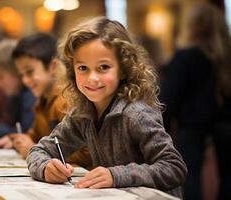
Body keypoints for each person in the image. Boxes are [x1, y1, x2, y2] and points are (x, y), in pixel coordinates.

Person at [26, 17, 187, 198]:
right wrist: (46, 167)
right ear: (72, 71)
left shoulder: (136, 114)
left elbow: (174, 167)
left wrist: (115, 175)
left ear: (124, 68)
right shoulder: (82, 113)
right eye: (83, 68)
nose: (92, 78)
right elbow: (39, 150)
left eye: (103, 67)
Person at [0, 33, 92, 169]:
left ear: (52, 67)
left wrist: (33, 149)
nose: (25, 80)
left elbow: (87, 154)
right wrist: (14, 139)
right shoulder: (42, 101)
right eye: (22, 75)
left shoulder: (65, 102)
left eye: (30, 72)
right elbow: (35, 135)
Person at [160, 3, 231, 200]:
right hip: (226, 128)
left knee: (190, 183)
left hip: (192, 130)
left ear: (192, 26)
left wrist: (159, 134)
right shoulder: (227, 57)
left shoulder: (185, 57)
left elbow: (167, 100)